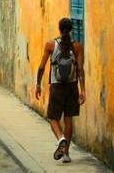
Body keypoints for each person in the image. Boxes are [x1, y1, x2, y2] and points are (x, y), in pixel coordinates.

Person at [35, 18, 85, 164]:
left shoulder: (51, 45)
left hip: (56, 87)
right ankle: (66, 153)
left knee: (53, 119)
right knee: (68, 119)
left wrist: (38, 84)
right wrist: (83, 90)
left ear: (59, 29)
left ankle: (60, 138)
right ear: (71, 29)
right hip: (72, 86)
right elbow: (80, 70)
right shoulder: (76, 46)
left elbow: (41, 67)